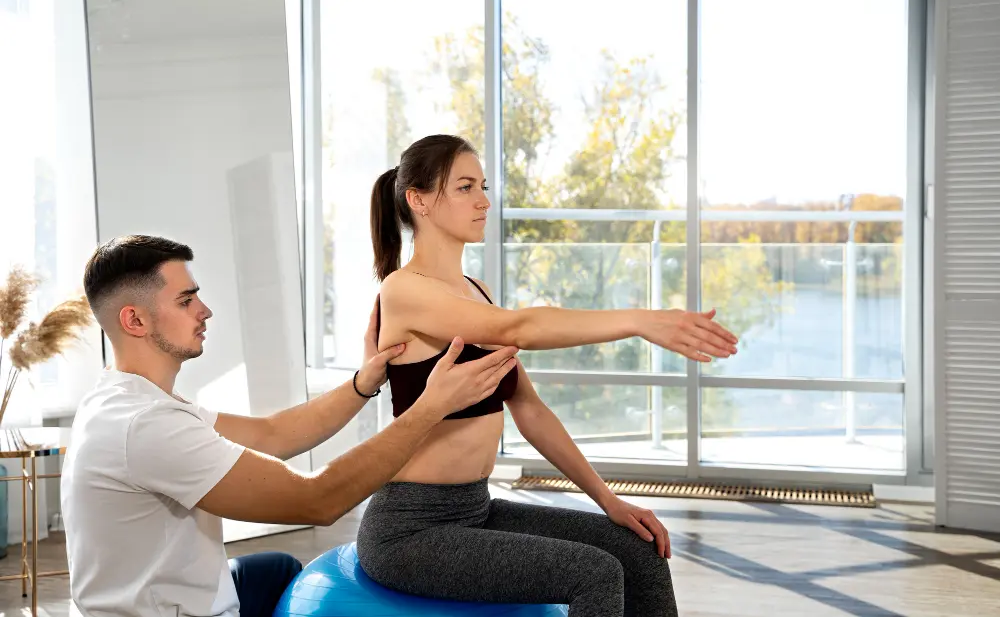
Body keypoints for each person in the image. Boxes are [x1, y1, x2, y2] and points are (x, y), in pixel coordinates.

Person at [358, 134, 740, 617]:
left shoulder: (476, 290)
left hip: (476, 509)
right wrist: (639, 320)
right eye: (464, 187)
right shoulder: (403, 291)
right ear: (418, 200)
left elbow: (529, 408)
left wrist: (610, 501)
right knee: (593, 572)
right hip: (411, 528)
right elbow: (521, 326)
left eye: (483, 186)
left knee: (638, 548)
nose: (484, 201)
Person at [61, 235, 519, 617]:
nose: (205, 310)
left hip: (144, 598)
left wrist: (363, 383)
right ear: (134, 319)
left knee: (277, 568)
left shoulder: (125, 400)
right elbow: (317, 501)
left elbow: (272, 435)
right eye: (186, 300)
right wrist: (428, 409)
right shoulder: (146, 425)